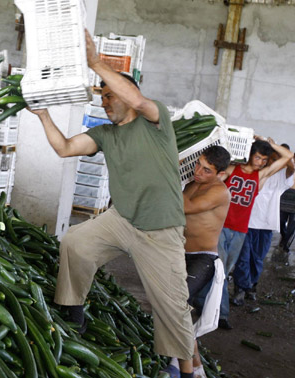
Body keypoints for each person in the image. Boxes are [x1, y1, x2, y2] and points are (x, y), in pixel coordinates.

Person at [29, 30, 195, 378]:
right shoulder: (105, 135)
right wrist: (43, 116)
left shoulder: (156, 121)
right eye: (101, 97)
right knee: (75, 241)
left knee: (171, 305)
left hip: (159, 229)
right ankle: (73, 311)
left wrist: (94, 62)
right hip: (122, 219)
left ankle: (188, 370)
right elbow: (64, 149)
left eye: (110, 95)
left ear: (127, 94)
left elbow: (136, 100)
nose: (105, 101)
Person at [198, 138, 293, 329]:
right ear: (250, 155)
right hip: (221, 226)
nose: (260, 163)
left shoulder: (262, 176)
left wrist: (266, 142)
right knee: (220, 270)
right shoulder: (234, 169)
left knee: (221, 272)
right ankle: (220, 314)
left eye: (264, 160)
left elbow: (289, 156)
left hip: (240, 231)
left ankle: (202, 302)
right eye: (258, 157)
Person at [177, 146, 231, 378]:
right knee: (179, 312)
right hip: (181, 254)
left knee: (176, 306)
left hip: (203, 259)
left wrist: (173, 176)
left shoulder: (219, 192)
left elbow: (183, 206)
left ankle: (185, 369)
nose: (198, 171)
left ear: (220, 173)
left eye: (207, 170)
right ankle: (196, 368)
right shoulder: (193, 183)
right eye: (197, 164)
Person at [232, 144, 294, 305]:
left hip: (266, 225)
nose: (268, 162)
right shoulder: (257, 172)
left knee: (257, 259)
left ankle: (251, 286)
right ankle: (240, 288)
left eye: (273, 159)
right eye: (267, 158)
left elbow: (290, 160)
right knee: (243, 258)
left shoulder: (283, 175)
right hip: (247, 221)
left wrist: (270, 143)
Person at [279, 152, 295, 252]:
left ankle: (286, 242)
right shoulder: (288, 166)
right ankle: (284, 237)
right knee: (280, 221)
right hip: (285, 195)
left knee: (292, 225)